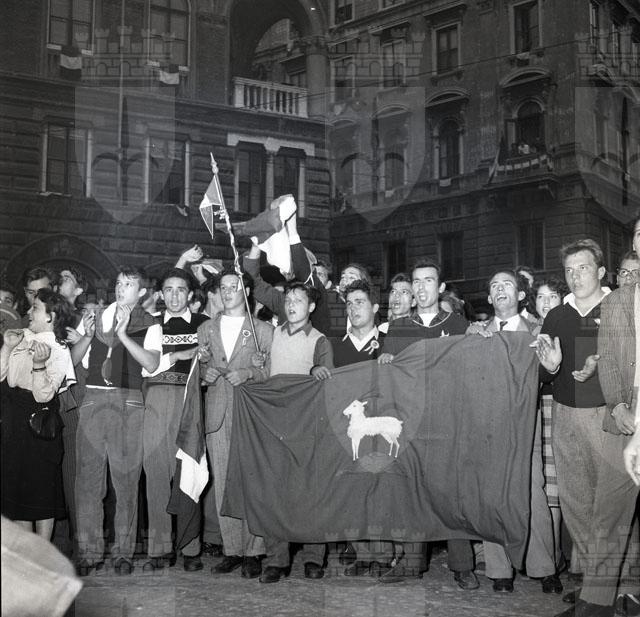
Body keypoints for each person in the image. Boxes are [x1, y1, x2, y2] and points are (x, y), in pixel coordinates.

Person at [534, 239, 631, 617]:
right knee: (576, 505)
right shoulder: (557, 315)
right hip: (566, 415)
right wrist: (551, 367)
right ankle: (597, 588)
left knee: (611, 509)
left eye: (584, 268)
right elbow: (543, 372)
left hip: (608, 418)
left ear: (602, 271)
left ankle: (625, 590)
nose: (576, 276)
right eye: (569, 270)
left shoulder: (619, 307)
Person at [380, 259, 477, 590]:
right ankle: (411, 563)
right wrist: (385, 361)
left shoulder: (459, 323)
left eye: (428, 281)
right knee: (412, 491)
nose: (421, 288)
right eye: (417, 282)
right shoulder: (397, 327)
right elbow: (388, 377)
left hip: (449, 419)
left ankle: (462, 565)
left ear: (441, 287)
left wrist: (482, 334)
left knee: (452, 493)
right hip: (411, 421)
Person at [469, 271, 559, 595]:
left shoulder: (536, 330)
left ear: (521, 295)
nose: (500, 289)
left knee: (532, 490)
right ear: (489, 299)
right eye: (494, 286)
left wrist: (550, 364)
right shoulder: (476, 332)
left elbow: (547, 375)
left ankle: (544, 567)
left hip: (525, 425)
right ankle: (499, 570)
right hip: (487, 426)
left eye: (507, 284)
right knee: (492, 494)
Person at [72, 266, 162, 576]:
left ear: (142, 292)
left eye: (129, 284)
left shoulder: (150, 323)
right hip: (94, 398)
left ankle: (123, 553)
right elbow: (74, 360)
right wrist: (86, 335)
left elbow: (152, 363)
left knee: (125, 481)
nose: (122, 288)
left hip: (129, 401)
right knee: (88, 481)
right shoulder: (95, 316)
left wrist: (123, 335)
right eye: (120, 283)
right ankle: (89, 553)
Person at [198, 269, 273, 579]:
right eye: (224, 287)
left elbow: (272, 373)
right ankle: (232, 549)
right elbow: (199, 369)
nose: (228, 292)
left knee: (252, 481)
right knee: (223, 484)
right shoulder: (206, 328)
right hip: (218, 413)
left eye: (234, 286)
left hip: (251, 412)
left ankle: (254, 551)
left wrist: (250, 373)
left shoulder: (262, 330)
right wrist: (204, 374)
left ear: (247, 292)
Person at [259, 282, 332, 584]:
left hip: (306, 426)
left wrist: (316, 371)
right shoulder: (272, 334)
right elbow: (263, 373)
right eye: (288, 300)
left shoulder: (320, 340)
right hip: (275, 422)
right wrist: (258, 366)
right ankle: (276, 559)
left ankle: (314, 556)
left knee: (310, 491)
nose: (291, 305)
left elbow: (328, 379)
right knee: (275, 491)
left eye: (298, 300)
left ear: (311, 307)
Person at [143, 268, 210, 573]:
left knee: (189, 470)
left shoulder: (204, 324)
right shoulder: (152, 324)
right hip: (157, 399)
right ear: (161, 294)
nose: (174, 295)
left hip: (190, 400)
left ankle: (190, 547)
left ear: (190, 294)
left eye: (180, 289)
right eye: (168, 289)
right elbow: (147, 367)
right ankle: (159, 548)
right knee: (157, 473)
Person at [1, 289, 76, 540]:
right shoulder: (21, 337)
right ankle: (30, 552)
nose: (28, 312)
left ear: (50, 316)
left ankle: (44, 550)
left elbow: (44, 396)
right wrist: (7, 347)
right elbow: (3, 377)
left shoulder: (59, 348)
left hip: (40, 423)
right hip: (15, 422)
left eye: (35, 308)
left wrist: (39, 365)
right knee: (19, 490)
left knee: (42, 489)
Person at [532, 276, 570, 577]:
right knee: (546, 488)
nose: (546, 303)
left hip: (564, 406)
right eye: (540, 297)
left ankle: (565, 557)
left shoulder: (568, 326)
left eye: (552, 296)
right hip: (537, 408)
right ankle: (550, 557)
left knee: (563, 486)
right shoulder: (529, 329)